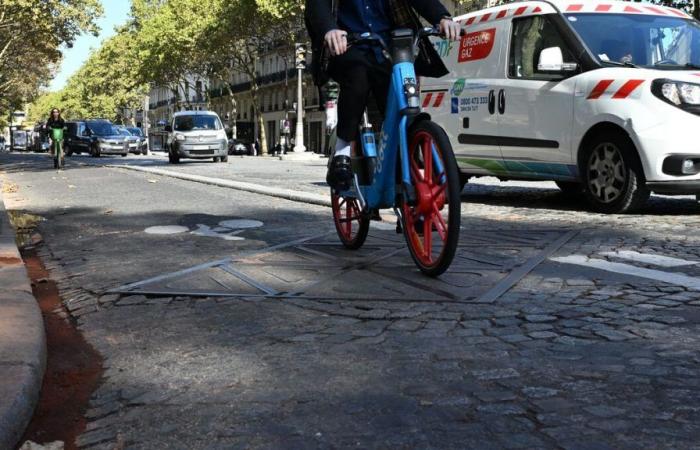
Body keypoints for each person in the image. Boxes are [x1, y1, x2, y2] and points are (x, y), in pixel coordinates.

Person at [306, 0, 460, 190]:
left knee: (399, 96)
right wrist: (329, 29)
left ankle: (402, 164)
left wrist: (442, 18)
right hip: (349, 45)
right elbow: (317, 4)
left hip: (389, 47)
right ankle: (342, 152)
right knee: (358, 78)